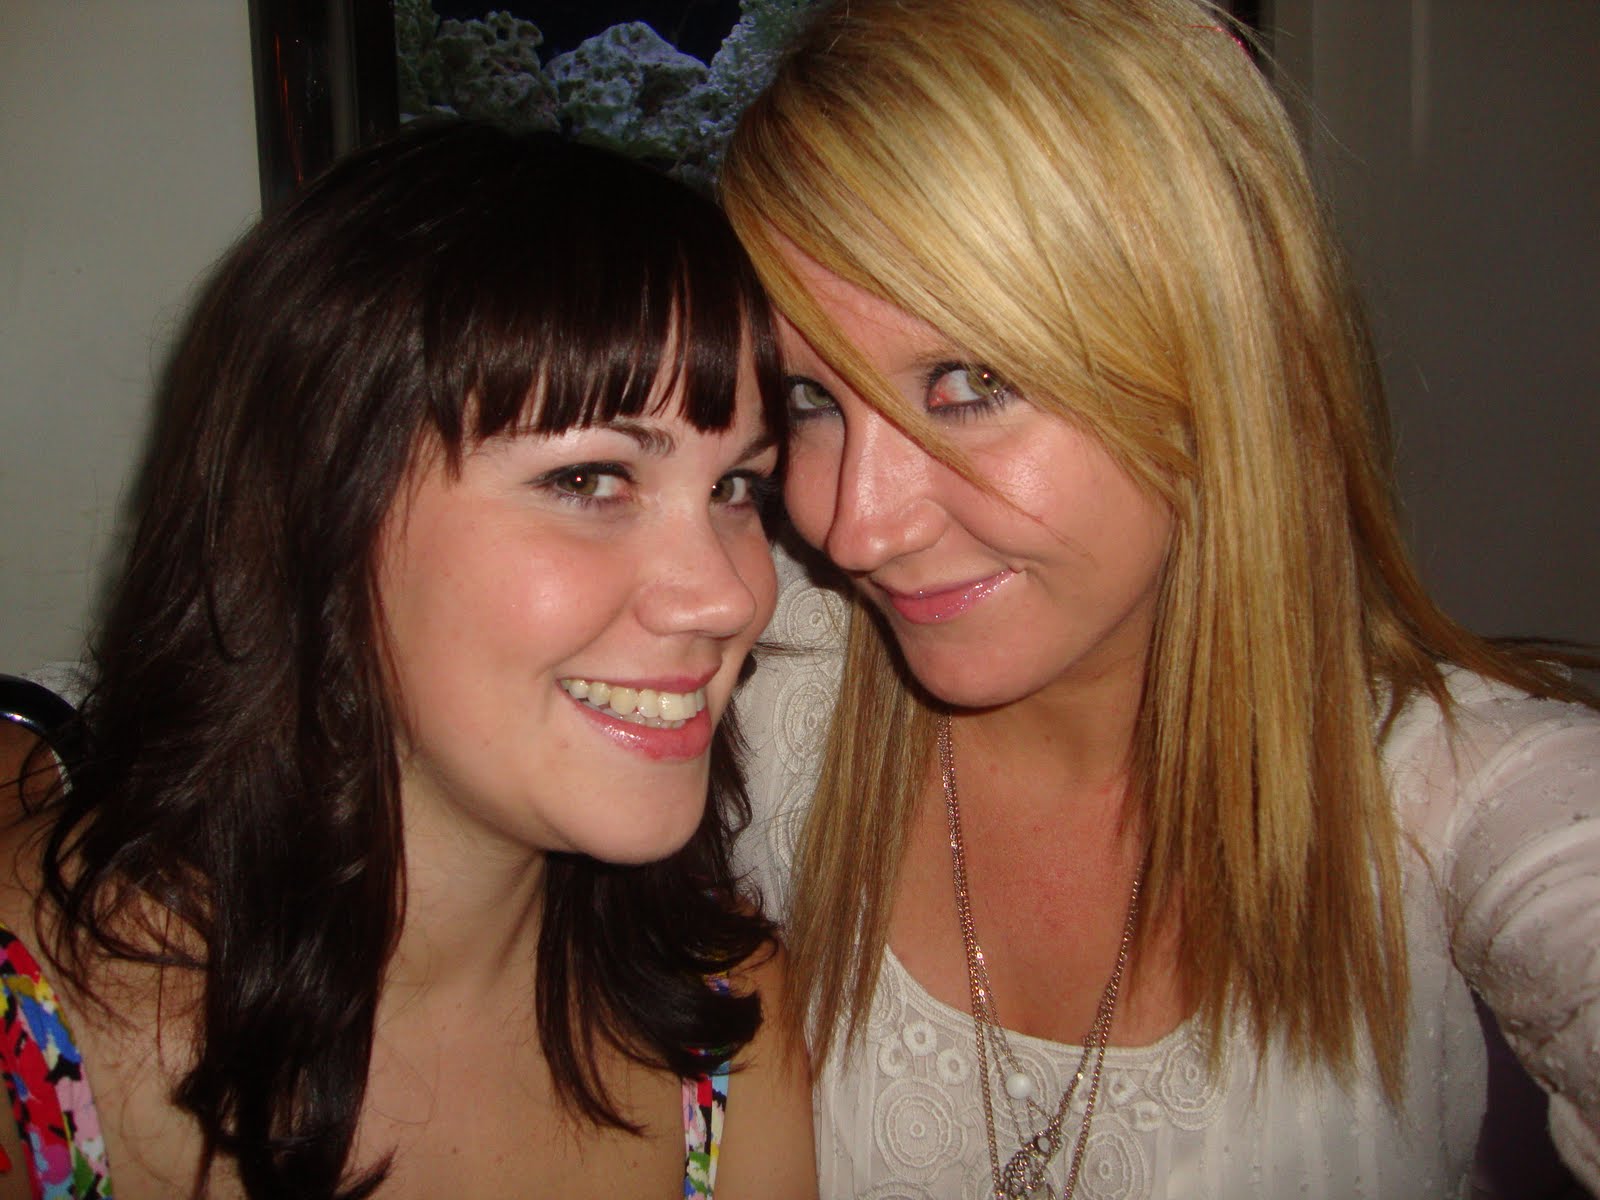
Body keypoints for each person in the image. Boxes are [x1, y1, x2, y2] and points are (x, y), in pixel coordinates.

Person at [718, 0, 1600, 1196]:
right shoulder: (752, 670)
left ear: (1217, 362)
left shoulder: (1455, 796)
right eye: (810, 399)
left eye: (969, 380)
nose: (852, 524)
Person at [0, 121, 816, 1200]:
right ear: (319, 517)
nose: (727, 596)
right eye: (588, 480)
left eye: (737, 488)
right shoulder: (32, 1045)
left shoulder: (722, 1015)